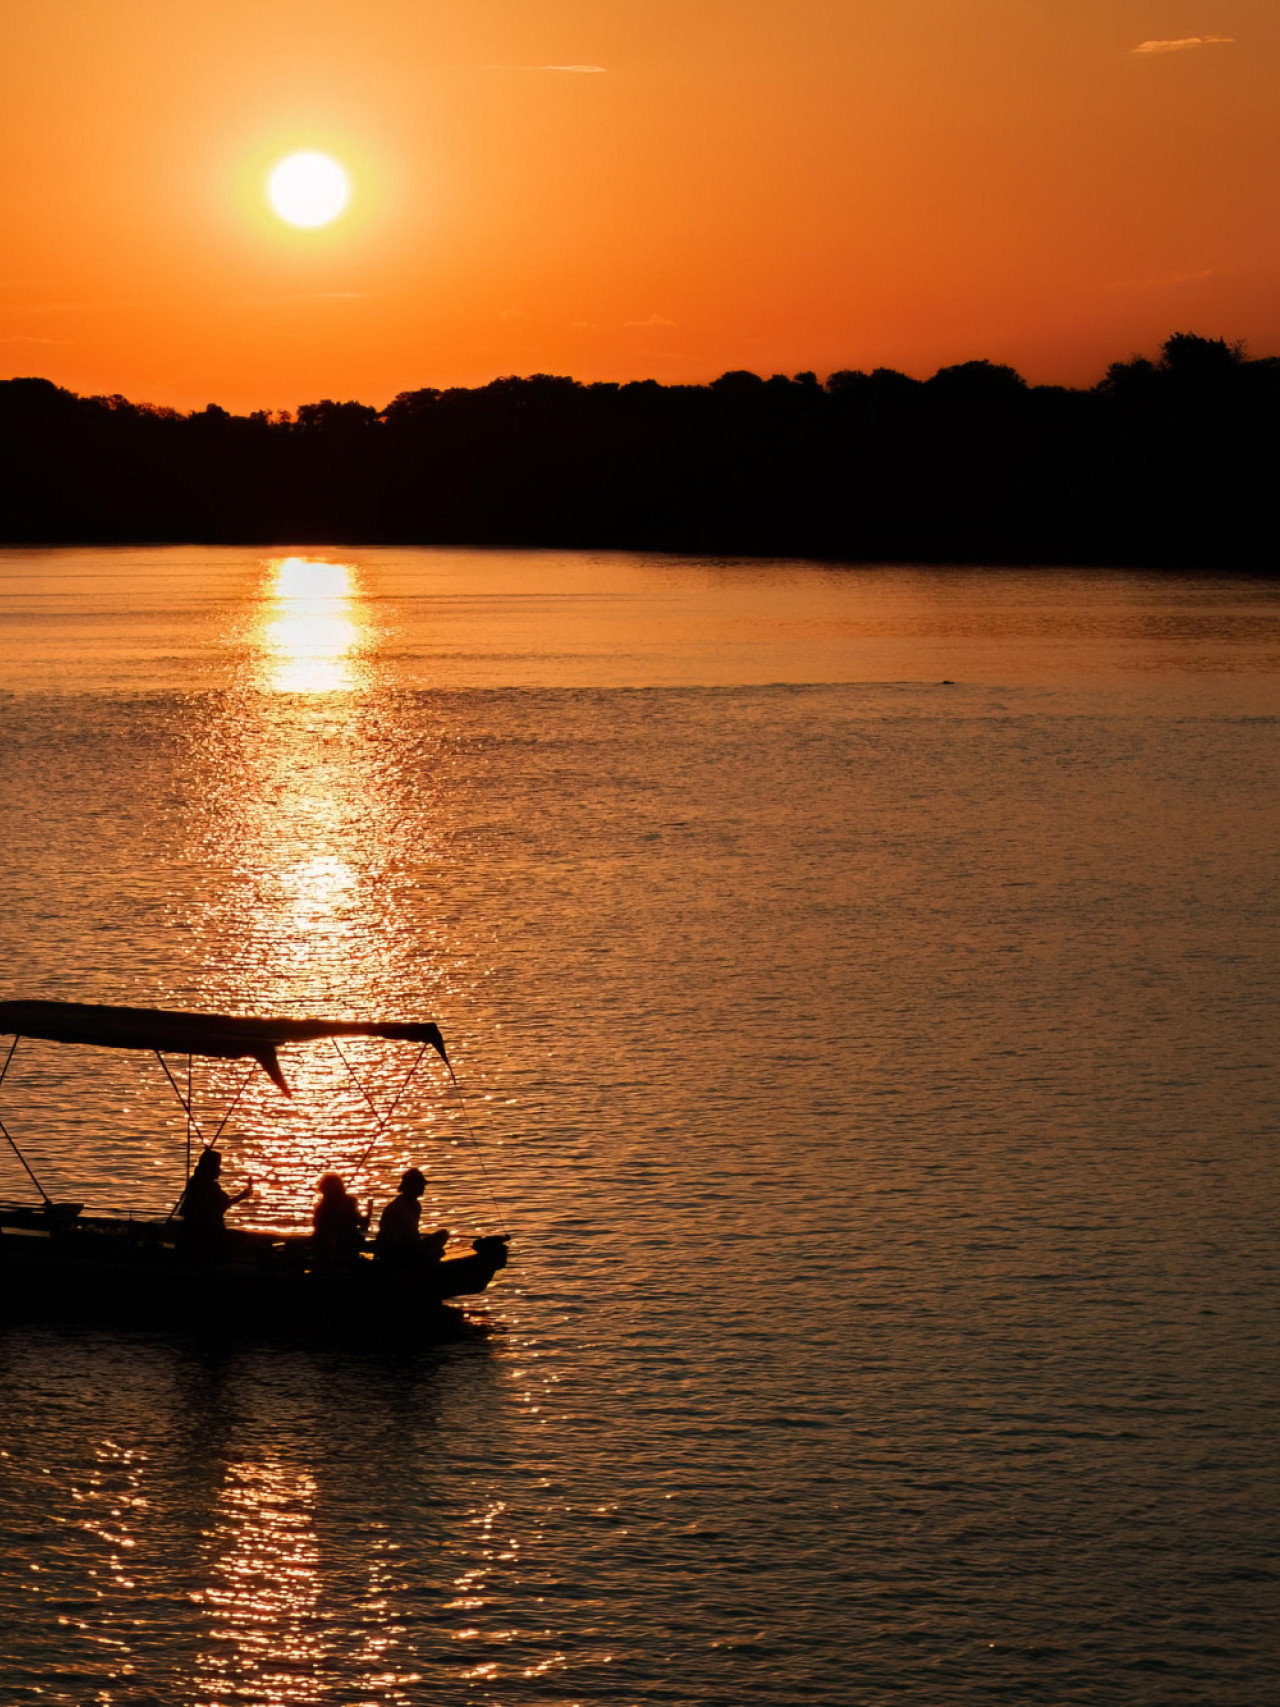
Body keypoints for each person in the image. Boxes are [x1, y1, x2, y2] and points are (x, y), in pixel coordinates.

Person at [176, 1148, 252, 1261]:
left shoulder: (194, 1183)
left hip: (192, 1233)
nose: (219, 1170)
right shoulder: (208, 1188)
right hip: (207, 1236)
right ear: (211, 1169)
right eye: (217, 1166)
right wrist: (242, 1196)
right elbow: (219, 1208)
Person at [375, 1167, 448, 1266]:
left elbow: (413, 1231)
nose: (423, 1188)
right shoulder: (398, 1206)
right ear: (413, 1186)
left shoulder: (416, 1205)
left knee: (443, 1234)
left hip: (411, 1244)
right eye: (421, 1185)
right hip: (396, 1248)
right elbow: (389, 1233)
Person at [311, 1172, 369, 1264]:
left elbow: (317, 1226)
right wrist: (366, 1218)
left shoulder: (322, 1208)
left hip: (324, 1250)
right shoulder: (349, 1202)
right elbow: (361, 1224)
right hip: (347, 1247)